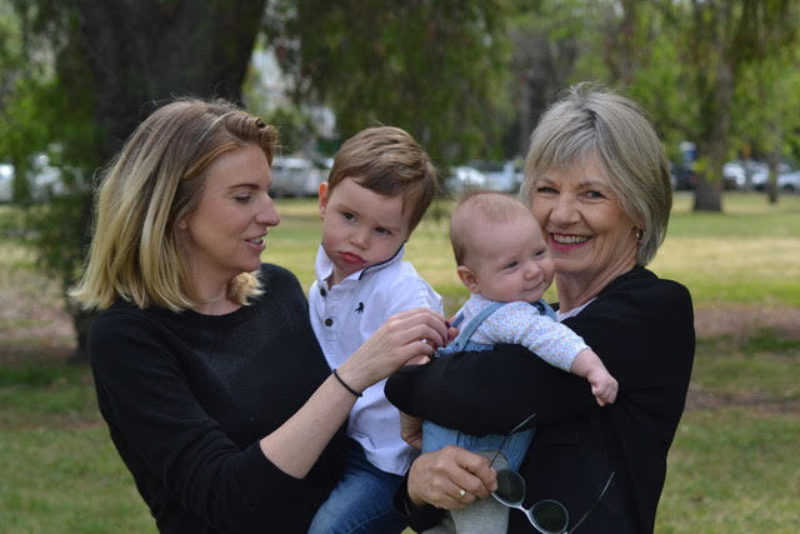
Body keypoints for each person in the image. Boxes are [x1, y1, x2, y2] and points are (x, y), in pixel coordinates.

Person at [69, 98, 450, 534]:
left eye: (267, 193)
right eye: (245, 196)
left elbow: (346, 459)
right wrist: (353, 376)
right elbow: (229, 500)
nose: (271, 215)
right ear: (176, 210)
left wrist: (415, 487)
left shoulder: (279, 291)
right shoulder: (128, 340)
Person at [386, 83, 696, 533]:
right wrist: (420, 484)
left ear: (640, 210)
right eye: (547, 189)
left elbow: (488, 396)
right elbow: (455, 433)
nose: (562, 214)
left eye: (592, 194)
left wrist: (403, 380)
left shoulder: (651, 312)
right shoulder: (527, 321)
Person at [413, 190, 617, 533]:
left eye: (538, 253)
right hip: (479, 463)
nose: (534, 271)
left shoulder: (477, 307)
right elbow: (551, 339)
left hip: (446, 451)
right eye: (512, 265)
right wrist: (593, 367)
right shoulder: (509, 315)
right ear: (471, 279)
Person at [307, 126, 442, 534]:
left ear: (406, 233)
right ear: (324, 199)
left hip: (388, 461)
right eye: (349, 217)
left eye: (383, 230)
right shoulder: (319, 287)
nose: (360, 240)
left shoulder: (402, 292)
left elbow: (425, 369)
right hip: (331, 444)